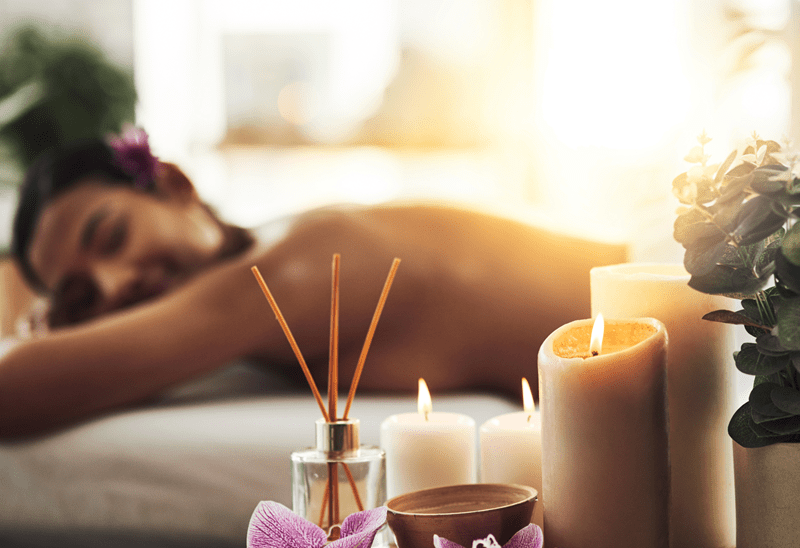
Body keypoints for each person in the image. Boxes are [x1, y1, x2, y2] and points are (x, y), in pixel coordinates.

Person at [0, 129, 627, 441]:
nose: (115, 286)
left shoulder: (288, 273)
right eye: (85, 294)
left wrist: (52, 336)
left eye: (112, 238)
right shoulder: (270, 249)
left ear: (174, 185)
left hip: (697, 308)